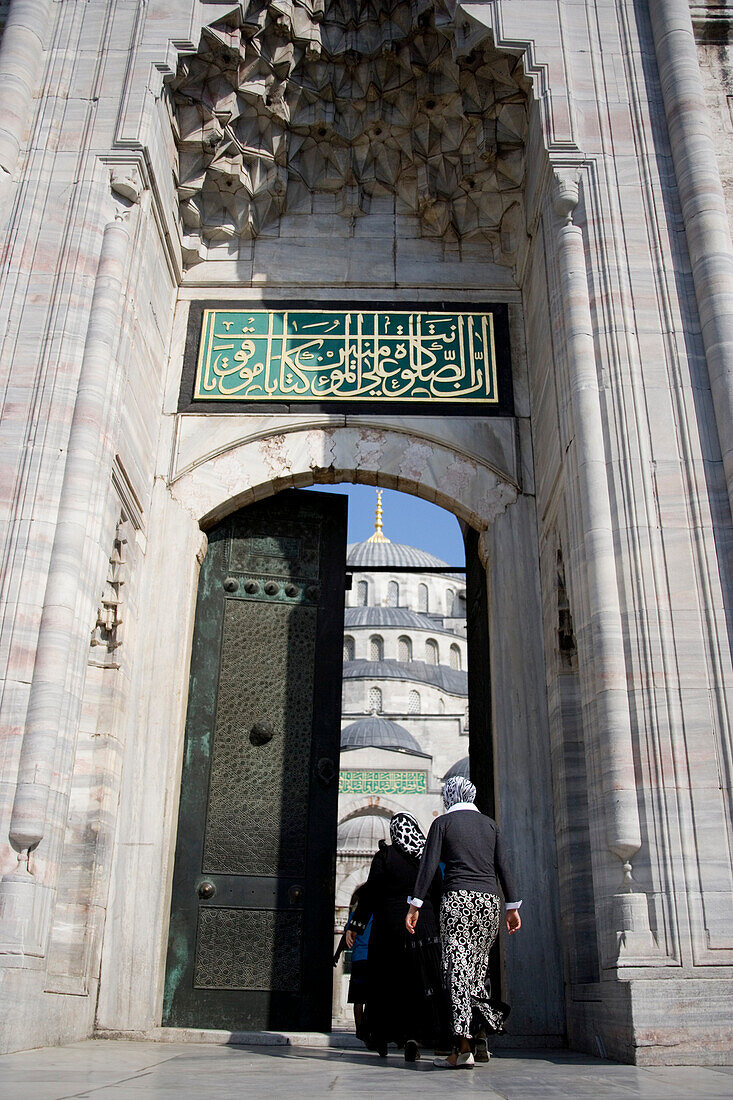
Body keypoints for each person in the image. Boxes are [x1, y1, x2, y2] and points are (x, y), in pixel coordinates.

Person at [406, 776, 521, 1069]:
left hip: (458, 900)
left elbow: (429, 865)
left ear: (449, 796)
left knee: (456, 971)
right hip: (489, 903)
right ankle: (483, 1029)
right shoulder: (490, 825)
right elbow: (503, 866)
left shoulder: (443, 824)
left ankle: (462, 1047)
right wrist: (512, 907)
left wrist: (415, 903)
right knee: (478, 970)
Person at [346, 812, 447, 1060]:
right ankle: (414, 1035)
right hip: (422, 930)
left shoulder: (386, 856)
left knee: (387, 984)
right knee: (418, 983)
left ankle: (381, 1036)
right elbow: (438, 892)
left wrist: (356, 924)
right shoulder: (427, 857)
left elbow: (370, 892)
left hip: (389, 930)